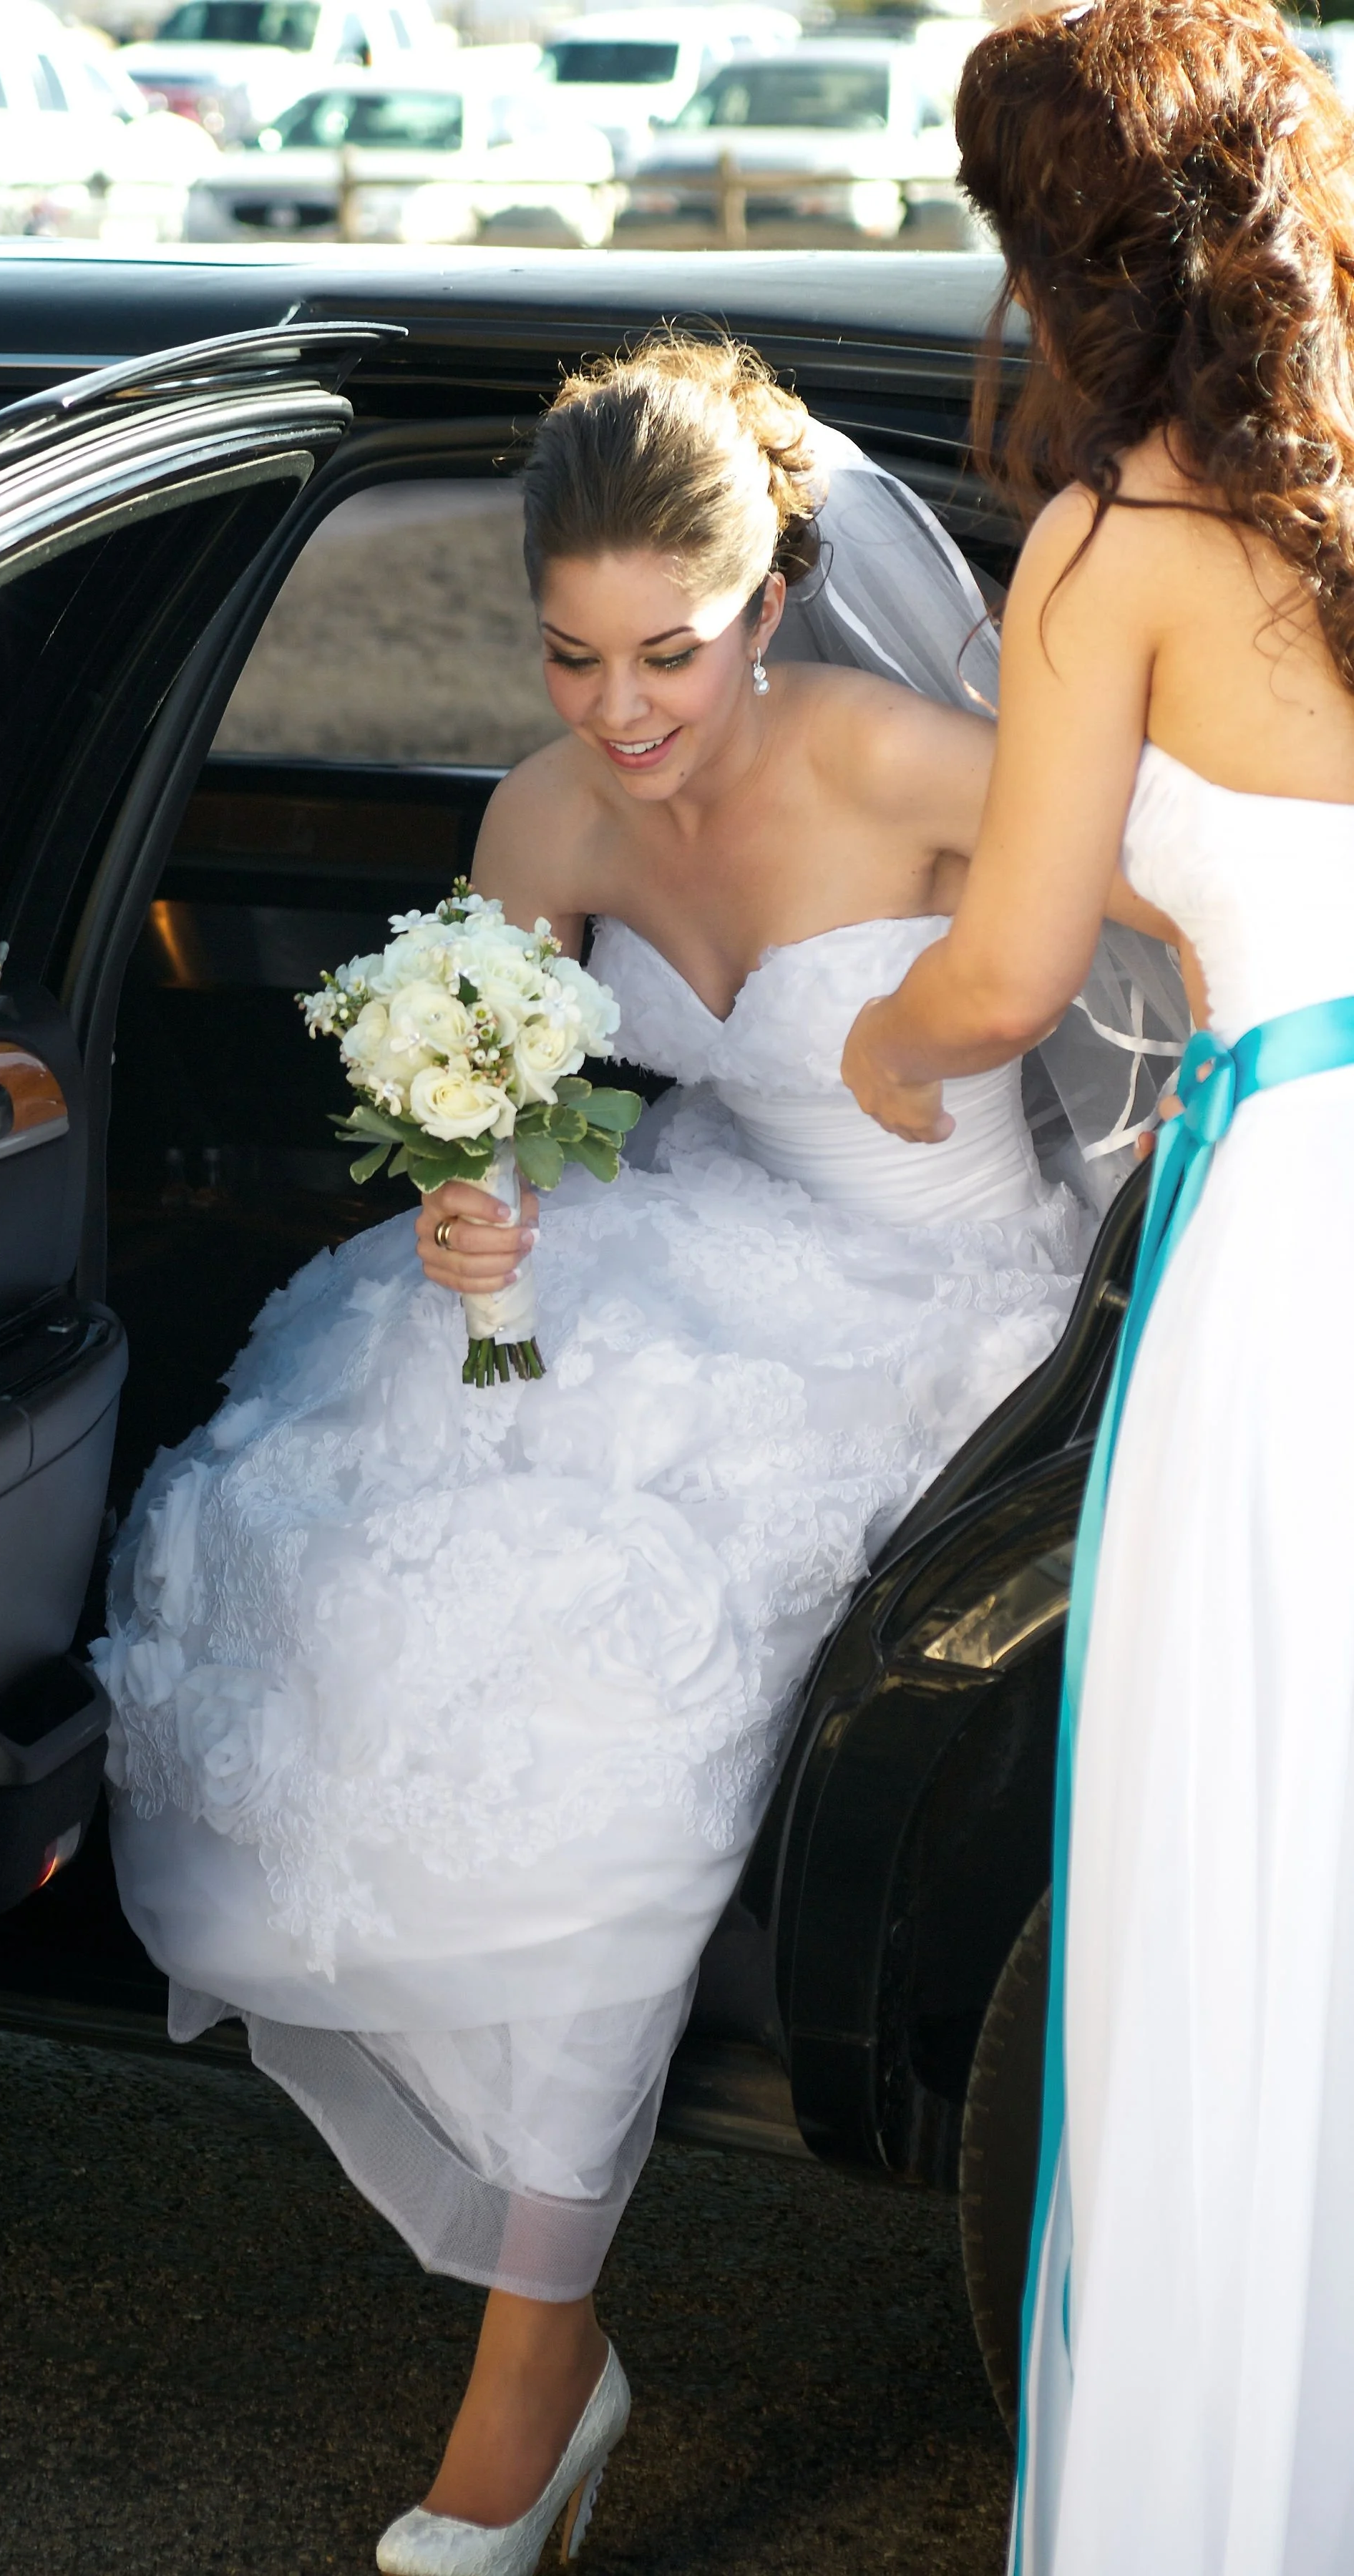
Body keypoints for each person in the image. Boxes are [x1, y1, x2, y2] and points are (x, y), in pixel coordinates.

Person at [98, 340, 1096, 2575]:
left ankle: (530, 2383)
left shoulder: (905, 751)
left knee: (604, 1693)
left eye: (670, 649)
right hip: (695, 1249)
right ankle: (538, 2331)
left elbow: (1190, 925)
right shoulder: (537, 820)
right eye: (567, 653)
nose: (618, 709)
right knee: (383, 1578)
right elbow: (509, 1118)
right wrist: (478, 1206)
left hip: (944, 1304)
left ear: (768, 602)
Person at [839, 4, 1354, 2567]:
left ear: (1051, 253)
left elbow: (1005, 973)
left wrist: (872, 1032)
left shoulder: (1106, 552)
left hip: (1299, 1278)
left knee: (1250, 1877)